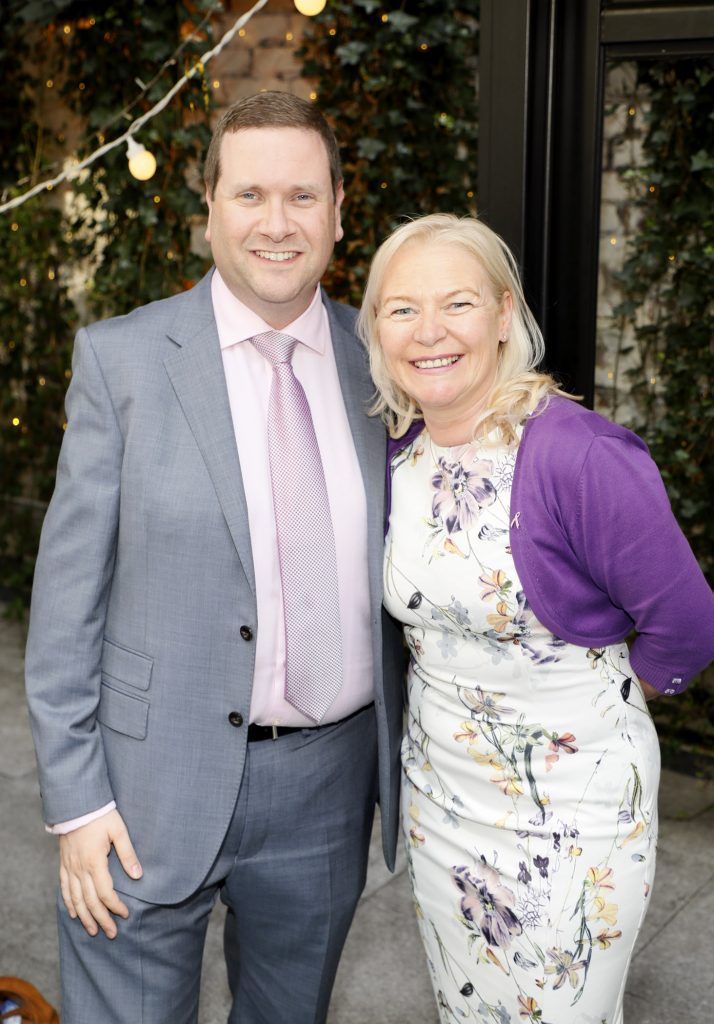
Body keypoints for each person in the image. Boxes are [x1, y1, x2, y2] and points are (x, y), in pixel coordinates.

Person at [25, 92, 405, 1024]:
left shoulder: (389, 362)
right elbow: (65, 606)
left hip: (327, 788)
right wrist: (77, 807)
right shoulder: (121, 362)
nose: (277, 223)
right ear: (209, 209)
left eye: (303, 197)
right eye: (250, 195)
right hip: (145, 788)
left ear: (340, 212)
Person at [357, 213, 714, 1024]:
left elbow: (688, 622)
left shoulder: (579, 454)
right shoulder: (395, 453)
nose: (430, 331)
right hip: (441, 807)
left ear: (504, 313)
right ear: (376, 328)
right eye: (402, 308)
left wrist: (599, 706)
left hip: (573, 814)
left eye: (458, 303)